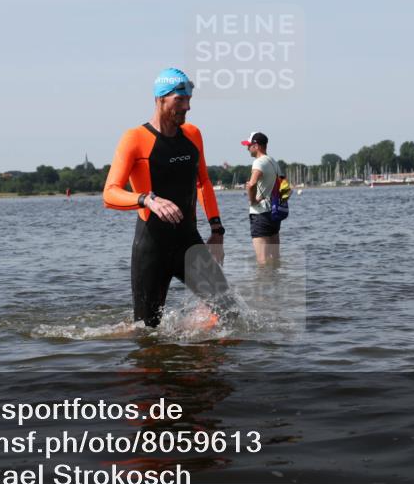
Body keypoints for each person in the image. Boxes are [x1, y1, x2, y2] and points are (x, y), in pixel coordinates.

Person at [103, 67, 233, 327]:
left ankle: (202, 355)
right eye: (180, 100)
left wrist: (217, 230)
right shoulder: (134, 139)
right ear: (160, 99)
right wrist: (146, 199)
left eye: (189, 100)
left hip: (189, 242)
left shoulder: (193, 135)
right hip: (152, 247)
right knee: (147, 330)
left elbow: (204, 182)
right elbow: (109, 193)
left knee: (230, 312)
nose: (187, 107)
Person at [242, 132, 281, 265]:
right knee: (275, 258)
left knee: (262, 261)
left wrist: (252, 200)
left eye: (249, 145)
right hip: (274, 213)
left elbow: (252, 184)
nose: (247, 148)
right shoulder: (273, 162)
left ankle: (264, 284)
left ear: (256, 145)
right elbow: (285, 187)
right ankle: (276, 283)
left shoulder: (258, 162)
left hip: (260, 214)